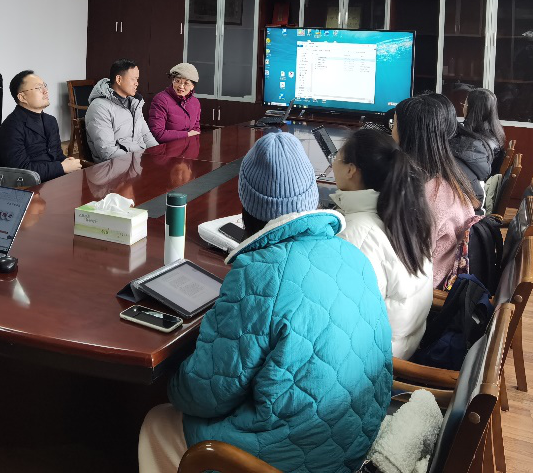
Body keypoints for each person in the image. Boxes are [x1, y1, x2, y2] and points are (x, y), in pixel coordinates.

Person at [138, 132, 392, 473]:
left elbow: (207, 393)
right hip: (355, 435)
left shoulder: (259, 272)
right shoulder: (351, 253)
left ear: (246, 204)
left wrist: (167, 382)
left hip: (296, 457)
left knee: (157, 420)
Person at [331, 129, 435, 358]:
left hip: (374, 363)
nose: (332, 164)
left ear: (351, 170)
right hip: (405, 345)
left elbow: (341, 319)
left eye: (335, 157)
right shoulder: (406, 215)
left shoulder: (355, 235)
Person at [391, 95, 480, 288]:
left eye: (394, 124)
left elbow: (405, 262)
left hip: (427, 290)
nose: (391, 131)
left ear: (407, 133)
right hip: (442, 276)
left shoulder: (421, 195)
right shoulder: (449, 176)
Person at [0, 70, 81, 182]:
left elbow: (58, 156)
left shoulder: (50, 121)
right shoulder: (11, 127)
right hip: (31, 186)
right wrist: (61, 167)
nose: (45, 91)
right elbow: (22, 171)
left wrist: (70, 164)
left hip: (55, 180)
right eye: (38, 88)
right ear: (22, 97)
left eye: (44, 86)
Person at [85, 58, 158, 162]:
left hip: (138, 162)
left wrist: (158, 153)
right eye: (133, 79)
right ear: (119, 79)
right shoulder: (99, 108)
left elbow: (147, 136)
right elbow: (108, 152)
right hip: (115, 166)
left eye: (137, 80)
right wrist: (140, 160)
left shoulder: (134, 104)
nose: (137, 83)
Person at [146, 63, 202, 143]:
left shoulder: (195, 102)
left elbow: (196, 129)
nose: (181, 86)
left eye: (186, 83)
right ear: (173, 81)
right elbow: (157, 133)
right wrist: (187, 135)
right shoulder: (161, 100)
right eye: (177, 81)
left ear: (192, 86)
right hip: (167, 148)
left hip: (189, 147)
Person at [463, 87, 507, 170]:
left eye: (465, 104)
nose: (464, 107)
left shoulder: (476, 142)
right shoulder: (494, 131)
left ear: (472, 109)